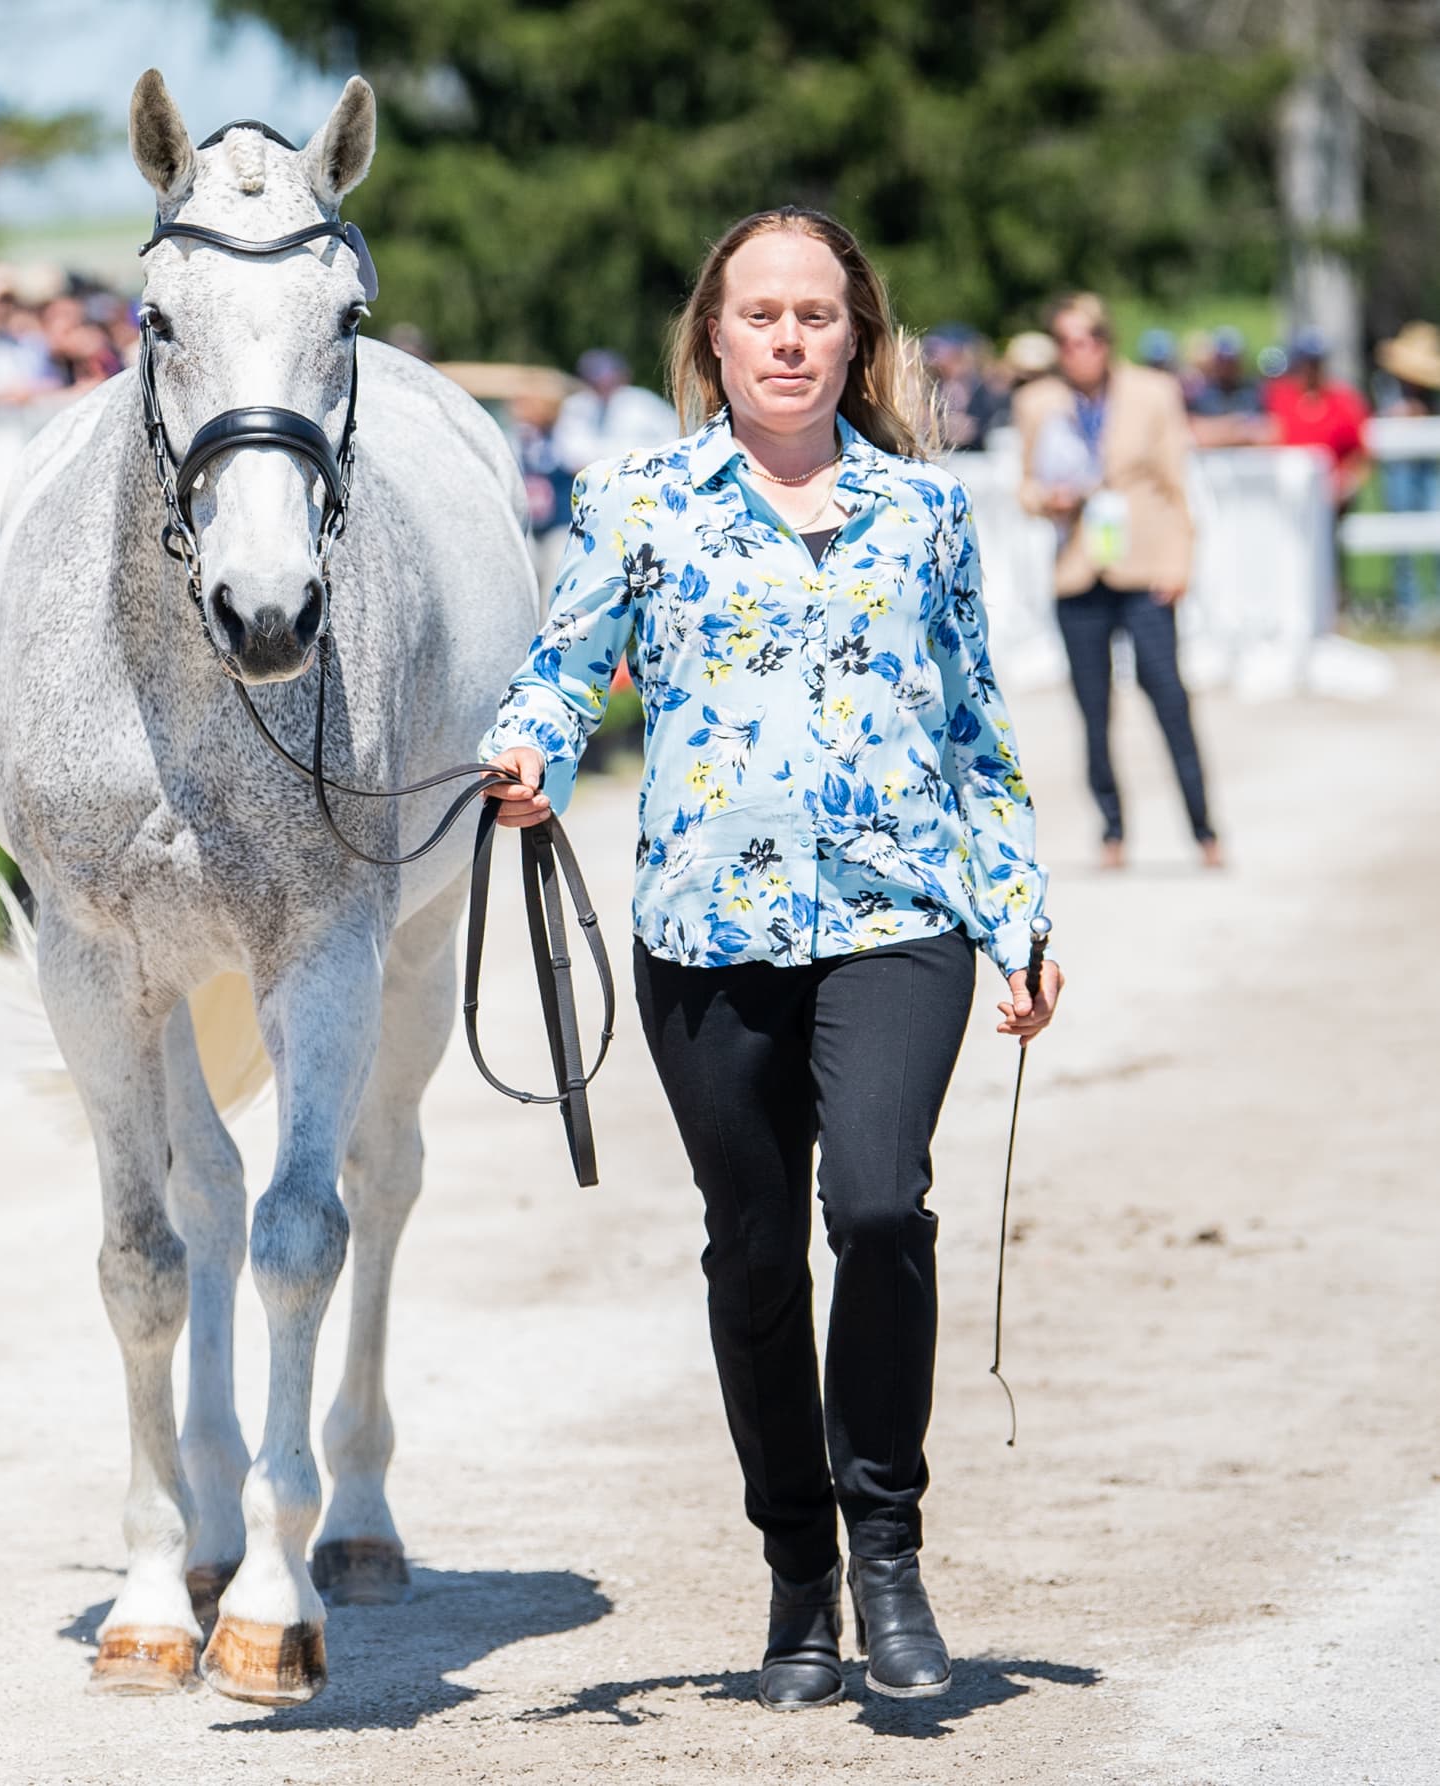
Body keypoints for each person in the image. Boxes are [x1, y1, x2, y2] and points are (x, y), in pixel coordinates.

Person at [480, 205, 1061, 1712]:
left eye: (819, 314)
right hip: (708, 930)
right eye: (762, 315)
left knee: (877, 1202)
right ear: (713, 340)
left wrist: (1021, 910)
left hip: (898, 911)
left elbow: (977, 732)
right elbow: (565, 671)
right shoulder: (638, 502)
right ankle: (796, 1570)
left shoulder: (927, 515)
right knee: (750, 1247)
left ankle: (887, 1547)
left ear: (857, 338)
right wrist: (529, 750)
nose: (791, 338)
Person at [1015, 292, 1222, 871]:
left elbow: (1179, 484)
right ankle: (1112, 831)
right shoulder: (1039, 403)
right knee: (1093, 710)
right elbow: (1025, 486)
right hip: (1080, 570)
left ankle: (1204, 828)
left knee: (1169, 700)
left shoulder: (1152, 394)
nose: (1074, 353)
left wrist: (1181, 561)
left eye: (1085, 340)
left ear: (1106, 342)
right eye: (1063, 343)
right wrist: (1047, 498)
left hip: (1145, 567)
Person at [1373, 320, 1440, 634]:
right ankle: (1409, 606)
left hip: (1428, 468)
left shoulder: (1430, 395)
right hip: (1400, 470)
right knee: (1403, 538)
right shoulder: (1386, 388)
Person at [1263, 328, 1371, 505]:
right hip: (1284, 496)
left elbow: (1362, 454)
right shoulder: (1278, 397)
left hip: (1331, 500)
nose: (1311, 369)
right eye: (1306, 363)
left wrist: (1346, 482)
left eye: (1316, 363)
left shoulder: (1343, 401)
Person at [550, 347, 683, 467]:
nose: (602, 384)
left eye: (607, 378)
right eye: (595, 379)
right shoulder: (576, 407)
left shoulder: (641, 402)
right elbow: (569, 455)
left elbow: (674, 436)